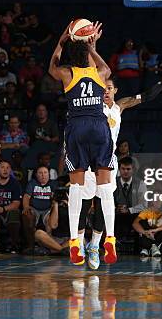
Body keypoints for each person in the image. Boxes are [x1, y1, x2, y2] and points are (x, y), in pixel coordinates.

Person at [79, 60, 162, 269]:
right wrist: (92, 48)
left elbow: (147, 96)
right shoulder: (92, 106)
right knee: (83, 204)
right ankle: (80, 242)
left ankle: (95, 247)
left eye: (109, 88)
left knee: (102, 205)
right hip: (89, 160)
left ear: (115, 90)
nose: (105, 91)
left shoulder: (121, 105)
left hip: (107, 162)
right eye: (102, 88)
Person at [48, 21, 114, 266]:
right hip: (100, 133)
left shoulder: (67, 74)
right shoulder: (100, 74)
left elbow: (52, 67)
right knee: (99, 198)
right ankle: (104, 240)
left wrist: (62, 40)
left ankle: (84, 243)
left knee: (82, 194)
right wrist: (92, 46)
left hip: (77, 131)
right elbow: (106, 67)